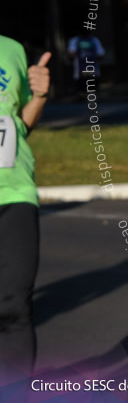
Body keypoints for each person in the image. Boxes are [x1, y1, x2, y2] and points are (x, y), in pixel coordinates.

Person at [0, 38, 50, 385]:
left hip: (14, 189)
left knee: (14, 308)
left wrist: (39, 97)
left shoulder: (12, 49)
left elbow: (19, 124)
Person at [67, 29, 105, 95]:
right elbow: (101, 54)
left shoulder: (75, 40)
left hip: (80, 71)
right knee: (92, 92)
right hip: (92, 69)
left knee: (82, 92)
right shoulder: (94, 40)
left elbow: (71, 54)